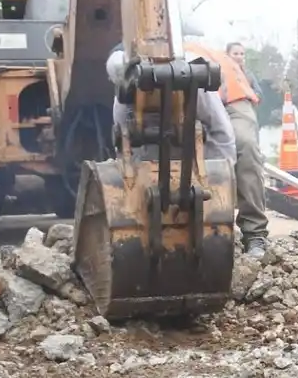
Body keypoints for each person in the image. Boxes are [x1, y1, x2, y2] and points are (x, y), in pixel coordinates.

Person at [105, 44, 236, 165]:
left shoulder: (193, 81)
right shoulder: (124, 95)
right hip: (152, 163)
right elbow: (125, 144)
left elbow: (221, 132)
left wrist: (221, 174)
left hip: (197, 159)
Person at [215, 40, 270, 258]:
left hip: (233, 102)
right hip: (180, 99)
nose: (240, 56)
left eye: (242, 53)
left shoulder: (228, 69)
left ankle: (254, 233)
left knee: (245, 146)